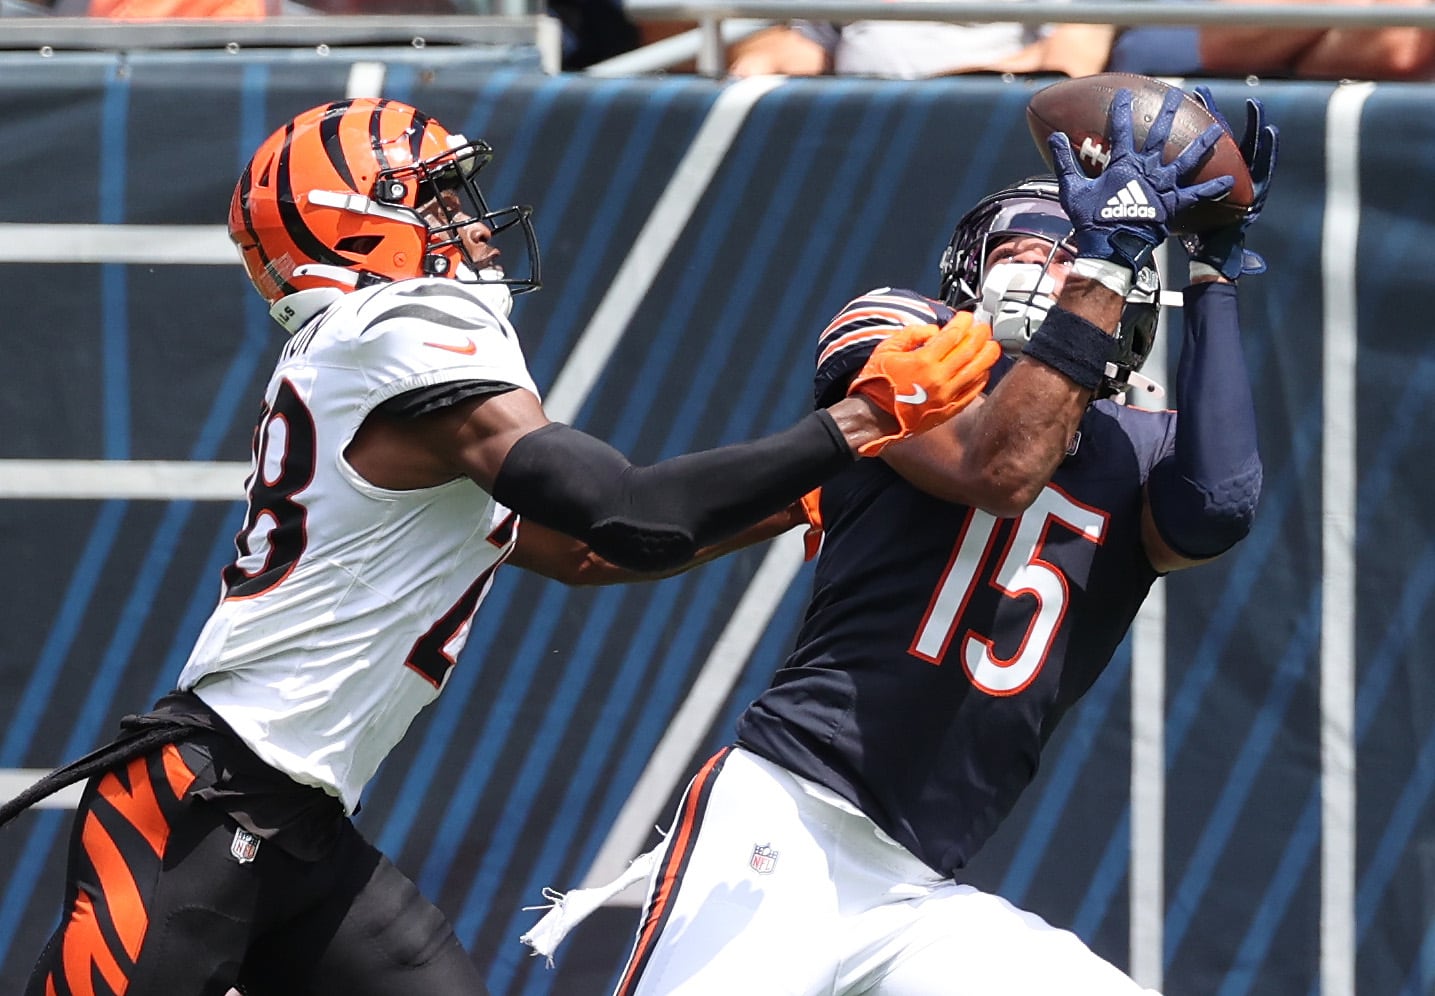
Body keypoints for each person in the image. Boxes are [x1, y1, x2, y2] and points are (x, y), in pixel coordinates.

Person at [1, 97, 1001, 996]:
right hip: (202, 809)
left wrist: (795, 499)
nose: (471, 222)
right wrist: (858, 425)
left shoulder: (367, 365)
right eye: (434, 201)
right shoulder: (400, 323)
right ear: (353, 227)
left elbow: (587, 553)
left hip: (291, 820)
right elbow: (624, 512)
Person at [522, 84, 1277, 993]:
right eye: (1024, 245)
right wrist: (1106, 259)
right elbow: (997, 471)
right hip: (790, 816)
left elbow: (1217, 507)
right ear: (967, 268)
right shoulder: (906, 338)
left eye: (1072, 242)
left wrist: (1215, 272)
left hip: (920, 887)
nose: (1053, 260)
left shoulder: (1138, 448)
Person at [727, 17, 1114, 79]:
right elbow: (809, 45)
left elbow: (1069, 62)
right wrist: (757, 66)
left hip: (976, 128)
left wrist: (918, 98)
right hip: (858, 127)